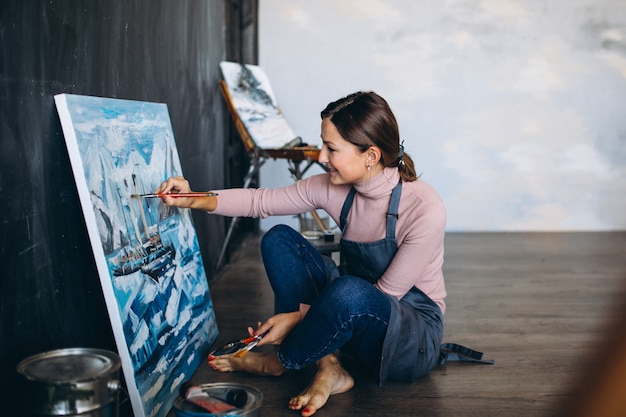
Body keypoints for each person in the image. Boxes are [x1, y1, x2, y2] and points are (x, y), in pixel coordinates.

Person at [157, 91, 447, 417]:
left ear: (371, 155)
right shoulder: (333, 186)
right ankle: (330, 366)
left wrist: (296, 318)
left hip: (406, 338)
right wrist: (192, 198)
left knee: (349, 291)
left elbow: (383, 296)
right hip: (347, 315)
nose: (320, 156)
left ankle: (279, 362)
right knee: (279, 239)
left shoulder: (424, 208)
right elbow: (259, 202)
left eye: (332, 148)